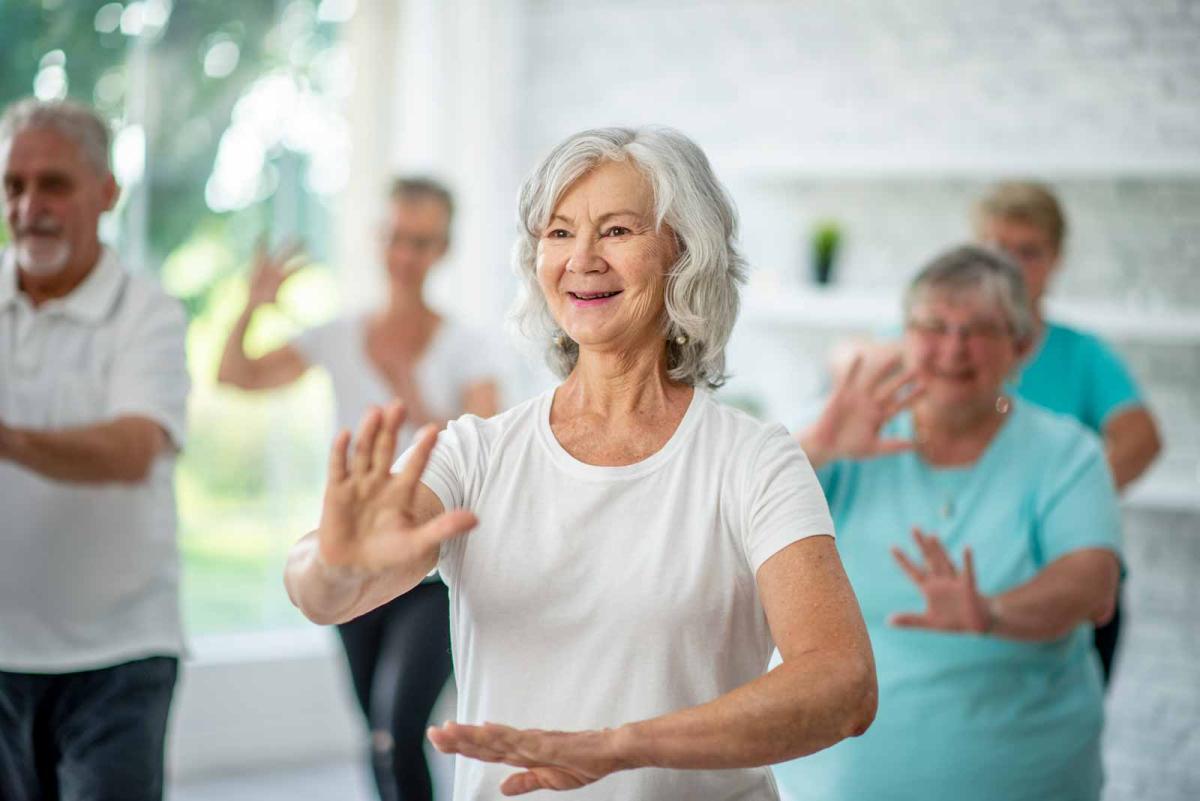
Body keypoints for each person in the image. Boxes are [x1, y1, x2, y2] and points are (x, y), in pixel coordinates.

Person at [284, 126, 878, 800]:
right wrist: (333, 563)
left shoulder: (755, 460)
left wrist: (620, 747)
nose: (582, 259)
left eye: (617, 230)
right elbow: (320, 591)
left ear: (685, 250)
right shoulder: (475, 453)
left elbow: (843, 684)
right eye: (559, 233)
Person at [774, 245, 1122, 801]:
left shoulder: (1067, 453)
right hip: (831, 779)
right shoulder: (838, 428)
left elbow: (1091, 583)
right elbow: (726, 518)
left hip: (1026, 776)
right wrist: (819, 446)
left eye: (979, 329)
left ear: (1021, 346)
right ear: (903, 335)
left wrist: (990, 613)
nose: (954, 348)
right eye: (934, 326)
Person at [218, 176, 499, 801]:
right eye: (396, 237)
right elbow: (234, 374)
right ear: (378, 239)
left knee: (400, 729)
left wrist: (410, 390)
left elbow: (491, 450)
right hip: (352, 556)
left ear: (444, 248)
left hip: (433, 569)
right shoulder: (338, 335)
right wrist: (252, 303)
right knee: (375, 734)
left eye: (421, 242)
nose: (405, 255)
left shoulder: (467, 346)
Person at [0, 98, 190, 801]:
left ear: (107, 192)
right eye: (13, 186)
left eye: (53, 184)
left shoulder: (149, 312)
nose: (29, 208)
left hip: (120, 655)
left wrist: (9, 439)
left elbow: (134, 449)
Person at [973, 182, 1159, 684]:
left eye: (1028, 252)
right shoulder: (942, 348)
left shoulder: (1082, 355)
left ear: (1056, 259)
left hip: (1065, 583)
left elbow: (1141, 440)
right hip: (974, 582)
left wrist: (1071, 501)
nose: (1011, 267)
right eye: (996, 249)